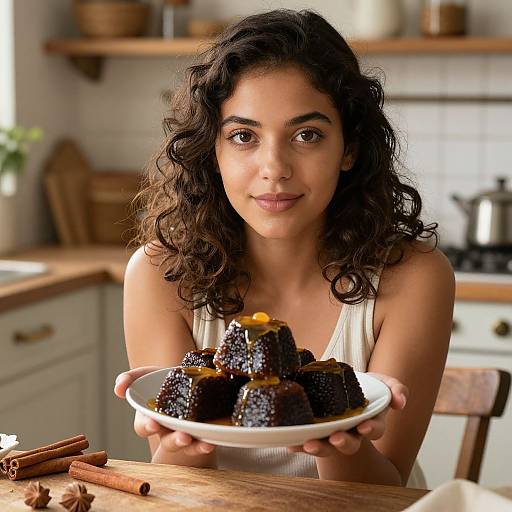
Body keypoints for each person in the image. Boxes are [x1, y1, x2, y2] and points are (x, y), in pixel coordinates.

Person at [114, 9, 455, 487]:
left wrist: (338, 443)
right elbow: (183, 488)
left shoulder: (414, 276)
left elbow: (386, 485)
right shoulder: (160, 276)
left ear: (349, 148)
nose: (274, 167)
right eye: (243, 136)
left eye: (307, 135)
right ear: (213, 150)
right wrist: (173, 439)